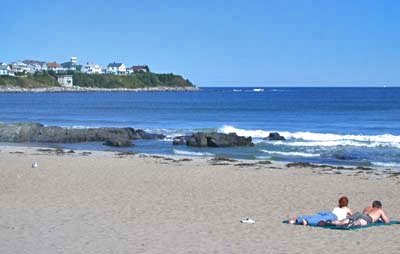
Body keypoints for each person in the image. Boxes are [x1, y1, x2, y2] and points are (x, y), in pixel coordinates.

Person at [288, 196, 352, 226]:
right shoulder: (347, 209)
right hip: (334, 217)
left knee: (315, 216)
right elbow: (351, 216)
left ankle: (296, 219)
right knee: (320, 219)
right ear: (347, 203)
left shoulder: (337, 207)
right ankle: (307, 222)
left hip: (328, 212)